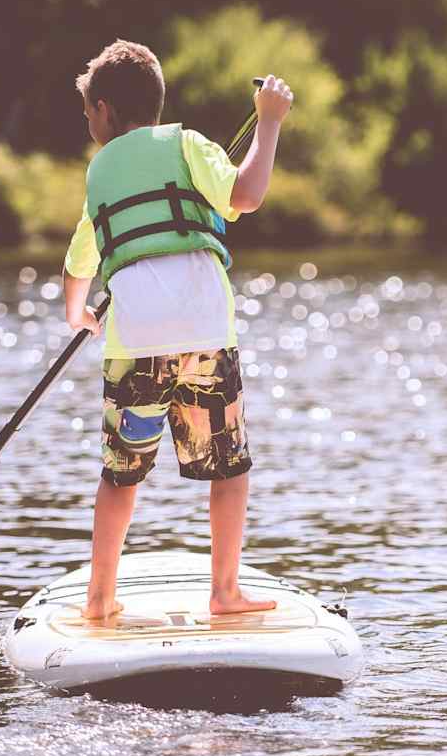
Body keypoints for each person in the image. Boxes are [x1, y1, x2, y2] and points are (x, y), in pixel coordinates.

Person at [61, 38, 292, 621]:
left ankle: (99, 599)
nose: (88, 121)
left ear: (105, 110)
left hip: (134, 343)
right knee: (229, 468)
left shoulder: (98, 173)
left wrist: (77, 313)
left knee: (121, 477)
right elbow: (247, 193)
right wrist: (268, 126)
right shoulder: (189, 145)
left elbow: (80, 261)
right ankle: (225, 593)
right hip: (206, 336)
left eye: (88, 110)